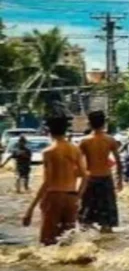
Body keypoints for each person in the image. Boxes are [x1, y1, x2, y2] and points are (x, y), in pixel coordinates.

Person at [22, 105, 89, 246]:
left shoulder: (49, 151)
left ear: (49, 131)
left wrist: (30, 209)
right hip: (71, 197)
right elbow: (85, 175)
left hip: (54, 197)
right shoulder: (75, 149)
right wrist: (78, 196)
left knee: (47, 241)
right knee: (68, 241)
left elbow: (48, 182)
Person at [78, 111, 123, 233]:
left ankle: (86, 241)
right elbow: (119, 162)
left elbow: (77, 163)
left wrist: (79, 182)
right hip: (106, 178)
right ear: (104, 124)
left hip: (90, 179)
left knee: (85, 218)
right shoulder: (110, 140)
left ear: (89, 123)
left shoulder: (84, 141)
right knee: (107, 221)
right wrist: (120, 180)